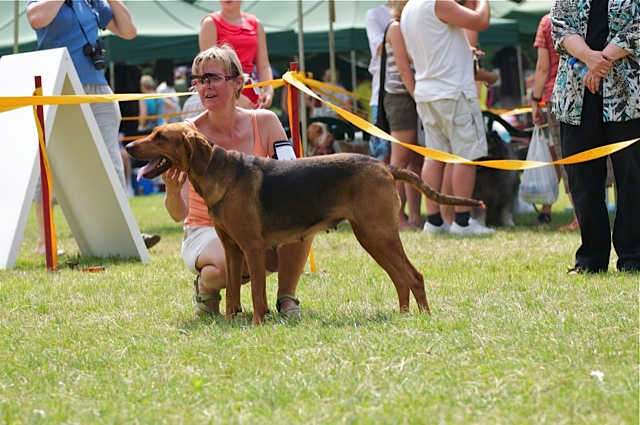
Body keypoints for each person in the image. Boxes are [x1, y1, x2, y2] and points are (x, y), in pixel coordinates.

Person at [162, 44, 312, 316]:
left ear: (238, 83)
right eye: (199, 80)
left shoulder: (266, 121)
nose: (206, 86)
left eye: (214, 78)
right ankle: (206, 287)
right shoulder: (186, 135)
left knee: (304, 216)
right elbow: (178, 214)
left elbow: (293, 175)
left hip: (260, 219)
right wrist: (172, 192)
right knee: (227, 262)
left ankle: (286, 296)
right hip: (205, 229)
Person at [27, 0, 161, 251]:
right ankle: (45, 241)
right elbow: (36, 19)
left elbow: (129, 31)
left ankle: (124, 233)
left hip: (97, 86)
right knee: (49, 161)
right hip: (56, 84)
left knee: (111, 159)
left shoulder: (92, 2)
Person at [550, 0, 640, 274]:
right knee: (581, 179)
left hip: (628, 97)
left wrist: (602, 62)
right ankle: (591, 259)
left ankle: (633, 257)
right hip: (576, 97)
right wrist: (589, 58)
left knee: (633, 179)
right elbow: (560, 25)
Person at [401, 0, 494, 235]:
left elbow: (417, 54)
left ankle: (434, 221)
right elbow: (481, 20)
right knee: (465, 155)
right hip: (453, 91)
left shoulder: (409, 8)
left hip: (427, 91)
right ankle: (462, 222)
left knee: (434, 156)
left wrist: (460, 51)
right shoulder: (438, 2)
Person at [530, 13, 577, 230]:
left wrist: (534, 99)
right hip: (592, 90)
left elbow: (542, 67)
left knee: (565, 157)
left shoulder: (547, 22)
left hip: (558, 95)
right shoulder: (585, 13)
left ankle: (579, 218)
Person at [383, 0, 423, 230]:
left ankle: (415, 217)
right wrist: (420, 99)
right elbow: (404, 69)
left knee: (415, 160)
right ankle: (397, 218)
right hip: (402, 98)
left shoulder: (407, 26)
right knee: (400, 161)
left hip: (412, 96)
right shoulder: (396, 27)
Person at [199, 0, 274, 109]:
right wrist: (234, 95)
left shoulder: (256, 24)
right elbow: (207, 68)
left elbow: (264, 65)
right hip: (222, 94)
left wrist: (268, 91)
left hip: (252, 94)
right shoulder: (210, 23)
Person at [365, 0, 392, 164]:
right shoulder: (375, 14)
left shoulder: (416, 13)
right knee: (385, 158)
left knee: (413, 156)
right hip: (382, 96)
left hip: (413, 93)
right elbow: (381, 49)